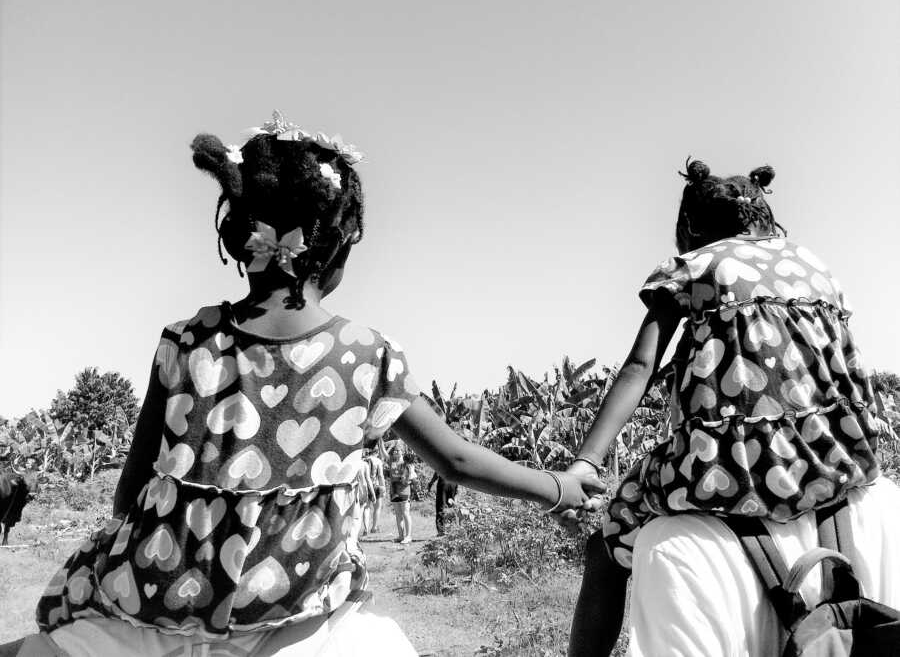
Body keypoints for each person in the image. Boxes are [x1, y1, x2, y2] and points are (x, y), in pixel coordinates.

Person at [25, 111, 602, 657]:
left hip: (149, 613)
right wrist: (558, 489)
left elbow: (130, 494)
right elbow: (456, 461)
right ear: (339, 245)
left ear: (240, 236)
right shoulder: (368, 356)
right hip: (299, 625)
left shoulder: (183, 342)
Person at [564, 159, 882, 656]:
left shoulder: (695, 267)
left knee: (604, 552)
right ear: (764, 217)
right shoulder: (815, 266)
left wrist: (585, 462)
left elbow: (639, 367)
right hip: (837, 454)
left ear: (689, 227)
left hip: (726, 464)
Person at [387, 445, 415, 543]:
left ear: (402, 452)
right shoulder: (392, 462)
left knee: (406, 513)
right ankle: (401, 536)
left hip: (404, 492)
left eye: (398, 450)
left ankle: (408, 536)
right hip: (394, 492)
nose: (395, 452)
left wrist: (406, 481)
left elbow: (412, 477)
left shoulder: (406, 463)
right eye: (394, 451)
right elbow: (384, 454)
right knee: (398, 515)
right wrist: (379, 442)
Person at [427, 471, 458, 536]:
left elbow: (437, 471)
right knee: (451, 506)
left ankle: (441, 531)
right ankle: (453, 529)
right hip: (453, 483)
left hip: (443, 482)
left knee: (440, 507)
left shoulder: (444, 460)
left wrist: (431, 483)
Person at [363, 448, 385, 533]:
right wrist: (383, 487)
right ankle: (374, 527)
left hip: (366, 486)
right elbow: (380, 475)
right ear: (377, 452)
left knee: (366, 508)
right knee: (377, 507)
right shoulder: (378, 461)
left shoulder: (364, 460)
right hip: (376, 486)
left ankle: (366, 528)